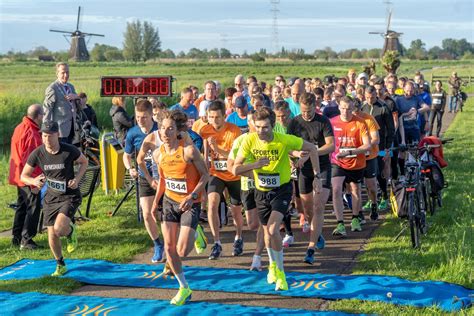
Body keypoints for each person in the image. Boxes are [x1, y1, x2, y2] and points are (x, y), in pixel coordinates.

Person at [232, 107, 322, 291]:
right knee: (267, 233)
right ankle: (272, 266)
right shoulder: (249, 140)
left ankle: (280, 273)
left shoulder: (284, 140)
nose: (261, 131)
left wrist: (317, 177)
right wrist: (256, 165)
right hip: (260, 191)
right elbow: (235, 168)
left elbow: (312, 148)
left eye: (265, 127)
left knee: (273, 229)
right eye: (257, 127)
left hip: (281, 189)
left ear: (272, 126)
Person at [151, 110, 209, 306]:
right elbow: (163, 180)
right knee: (169, 247)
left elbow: (206, 175)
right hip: (169, 202)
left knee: (182, 250)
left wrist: (192, 196)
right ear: (158, 132)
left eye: (170, 129)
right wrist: (155, 203)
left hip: (190, 202)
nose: (166, 133)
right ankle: (184, 287)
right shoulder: (157, 154)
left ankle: (196, 231)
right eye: (162, 129)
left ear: (177, 132)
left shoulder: (189, 151)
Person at [20, 121, 88, 276]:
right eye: (44, 136)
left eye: (50, 136)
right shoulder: (38, 153)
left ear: (58, 135)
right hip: (51, 198)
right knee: (52, 234)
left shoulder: (68, 150)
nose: (47, 139)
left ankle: (70, 231)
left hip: (69, 196)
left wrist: (77, 179)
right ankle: (60, 264)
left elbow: (84, 162)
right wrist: (34, 181)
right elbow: (24, 176)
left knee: (59, 229)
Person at [287, 93, 335, 264]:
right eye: (304, 111)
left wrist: (312, 151)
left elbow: (331, 146)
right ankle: (317, 231)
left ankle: (311, 248)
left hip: (322, 168)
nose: (306, 114)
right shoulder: (295, 122)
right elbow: (288, 147)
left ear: (315, 106)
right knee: (308, 211)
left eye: (309, 111)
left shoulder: (323, 121)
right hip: (303, 169)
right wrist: (297, 154)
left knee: (319, 205)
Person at [199, 100, 244, 259]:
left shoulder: (234, 131)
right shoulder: (205, 130)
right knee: (212, 204)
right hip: (216, 174)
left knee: (236, 210)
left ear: (224, 116)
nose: (214, 120)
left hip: (233, 174)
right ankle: (216, 242)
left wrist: (217, 149)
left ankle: (238, 237)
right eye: (211, 117)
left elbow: (235, 158)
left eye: (217, 117)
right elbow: (204, 153)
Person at [123, 99, 164, 263]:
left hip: (164, 176)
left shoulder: (159, 129)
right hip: (144, 176)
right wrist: (130, 168)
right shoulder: (132, 133)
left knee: (167, 213)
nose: (140, 120)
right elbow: (126, 155)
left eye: (144, 117)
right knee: (147, 213)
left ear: (151, 115)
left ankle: (189, 230)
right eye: (138, 117)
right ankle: (157, 244)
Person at [227, 110, 265, 271]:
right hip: (247, 185)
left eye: (257, 123)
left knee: (265, 221)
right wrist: (251, 170)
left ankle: (258, 255)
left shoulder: (267, 140)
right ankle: (270, 235)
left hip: (265, 185)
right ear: (248, 124)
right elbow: (231, 165)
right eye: (251, 122)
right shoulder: (240, 141)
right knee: (253, 224)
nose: (255, 126)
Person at [330, 97, 371, 237]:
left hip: (356, 162)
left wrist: (351, 152)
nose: (345, 111)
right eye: (342, 108)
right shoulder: (332, 122)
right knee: (336, 189)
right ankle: (340, 223)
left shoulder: (360, 122)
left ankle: (355, 218)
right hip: (337, 161)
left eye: (348, 108)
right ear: (338, 107)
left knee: (355, 189)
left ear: (353, 108)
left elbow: (367, 145)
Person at [8, 104, 44, 249]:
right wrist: (35, 182)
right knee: (33, 208)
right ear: (39, 116)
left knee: (22, 207)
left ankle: (16, 237)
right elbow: (31, 160)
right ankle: (27, 239)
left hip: (18, 175)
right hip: (28, 177)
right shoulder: (32, 133)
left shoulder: (19, 127)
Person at [360, 86, 395, 213]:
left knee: (380, 172)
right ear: (364, 95)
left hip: (381, 145)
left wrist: (387, 148)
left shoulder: (383, 108)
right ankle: (371, 199)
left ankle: (384, 196)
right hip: (366, 145)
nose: (370, 100)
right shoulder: (362, 107)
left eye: (373, 97)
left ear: (376, 95)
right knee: (367, 174)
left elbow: (391, 129)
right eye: (368, 97)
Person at [43, 62, 80, 144]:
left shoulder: (71, 87)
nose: (66, 75)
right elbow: (47, 109)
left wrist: (76, 97)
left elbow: (77, 106)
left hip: (72, 128)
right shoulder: (52, 88)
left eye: (67, 72)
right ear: (57, 74)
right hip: (60, 131)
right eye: (63, 72)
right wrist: (46, 130)